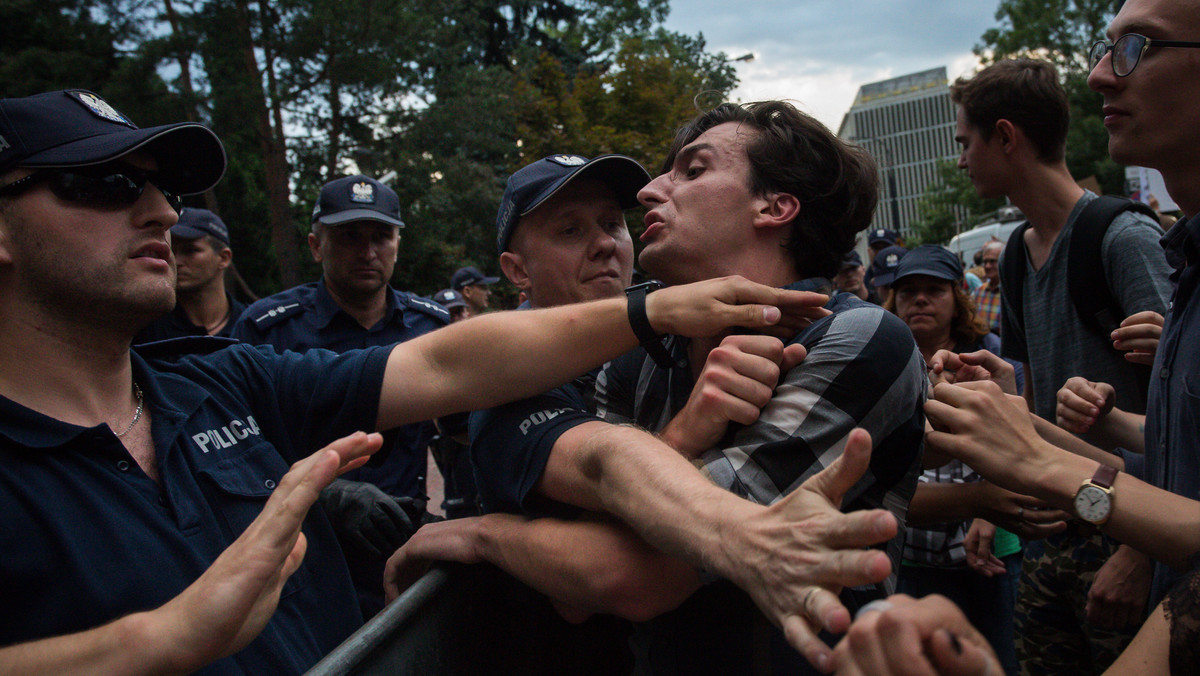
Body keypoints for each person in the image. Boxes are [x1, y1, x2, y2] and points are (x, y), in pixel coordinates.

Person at [0, 89, 822, 674]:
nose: (161, 214)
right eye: (105, 185)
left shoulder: (227, 383)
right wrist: (154, 643)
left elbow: (444, 363)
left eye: (161, 189)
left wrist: (656, 310)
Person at [591, 101, 927, 672]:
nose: (648, 192)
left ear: (775, 207)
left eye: (693, 170)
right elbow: (576, 579)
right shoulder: (631, 358)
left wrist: (485, 537)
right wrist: (681, 435)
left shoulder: (860, 339)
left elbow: (631, 578)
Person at [952, 57, 1173, 674]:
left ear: (1006, 136)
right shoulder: (1018, 256)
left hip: (1131, 535)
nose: (962, 160)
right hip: (1053, 533)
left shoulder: (1123, 238)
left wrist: (1137, 551)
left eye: (967, 142)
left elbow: (1185, 411)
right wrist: (986, 501)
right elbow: (1029, 393)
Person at [230, 174, 453, 616]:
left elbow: (464, 435)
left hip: (403, 552)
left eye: (381, 237)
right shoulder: (268, 330)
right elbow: (235, 451)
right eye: (349, 237)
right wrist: (326, 496)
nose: (368, 252)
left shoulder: (432, 328)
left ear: (397, 244)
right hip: (302, 561)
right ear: (316, 246)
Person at [884, 245, 1050, 675]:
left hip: (996, 550)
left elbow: (1028, 447)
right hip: (915, 556)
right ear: (893, 301)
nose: (919, 299)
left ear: (957, 297)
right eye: (908, 291)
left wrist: (992, 510)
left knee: (999, 660)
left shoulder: (990, 357)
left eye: (933, 290)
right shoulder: (881, 364)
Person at [133, 207, 246, 342]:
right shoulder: (144, 328)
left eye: (190, 251)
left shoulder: (253, 325)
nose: (176, 261)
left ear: (223, 258)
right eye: (170, 251)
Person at [970, 239, 1004, 334]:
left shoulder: (1013, 292)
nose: (988, 266)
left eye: (992, 261)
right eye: (985, 262)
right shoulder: (978, 292)